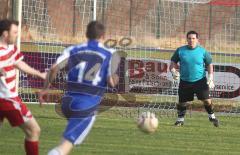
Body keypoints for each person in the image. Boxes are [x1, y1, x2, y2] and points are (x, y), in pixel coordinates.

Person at [38, 21, 120, 155]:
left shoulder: (72, 49)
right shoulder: (109, 53)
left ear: (86, 34)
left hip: (66, 103)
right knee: (64, 147)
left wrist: (45, 89)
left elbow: (53, 68)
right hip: (85, 105)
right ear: (103, 36)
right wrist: (115, 78)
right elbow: (111, 82)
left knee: (72, 140)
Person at [0, 19, 46, 155]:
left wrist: (39, 74)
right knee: (34, 130)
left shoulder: (11, 48)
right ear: (5, 34)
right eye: (14, 32)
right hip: (7, 100)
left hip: (8, 99)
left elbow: (19, 64)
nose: (17, 35)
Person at [170, 30, 219, 127]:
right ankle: (180, 120)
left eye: (193, 38)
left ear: (197, 39)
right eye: (189, 38)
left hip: (200, 81)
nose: (191, 40)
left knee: (206, 100)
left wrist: (210, 77)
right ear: (186, 39)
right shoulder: (180, 50)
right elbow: (173, 63)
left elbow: (209, 64)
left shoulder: (203, 51)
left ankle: (212, 116)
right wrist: (173, 71)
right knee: (182, 102)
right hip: (185, 81)